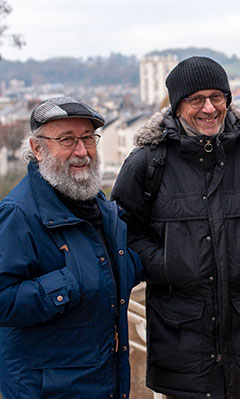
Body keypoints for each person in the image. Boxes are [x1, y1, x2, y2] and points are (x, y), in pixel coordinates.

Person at [111, 56, 240, 399]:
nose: (209, 108)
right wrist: (165, 264)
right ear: (178, 106)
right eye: (196, 99)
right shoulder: (148, 161)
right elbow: (124, 230)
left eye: (217, 97)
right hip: (180, 338)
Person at [0, 97, 143, 399]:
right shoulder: (18, 212)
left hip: (100, 379)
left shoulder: (97, 206)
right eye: (67, 140)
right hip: (47, 388)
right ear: (37, 148)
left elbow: (110, 270)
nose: (82, 151)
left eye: (88, 138)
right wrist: (65, 285)